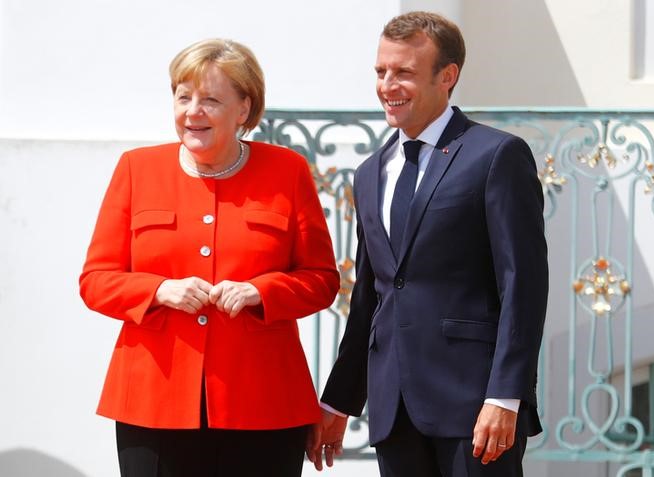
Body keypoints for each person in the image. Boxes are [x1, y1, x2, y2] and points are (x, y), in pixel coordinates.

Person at [79, 38, 339, 477]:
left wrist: (262, 291)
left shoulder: (287, 171)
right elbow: (96, 280)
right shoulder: (136, 169)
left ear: (244, 109)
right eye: (184, 97)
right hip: (154, 404)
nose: (192, 112)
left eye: (211, 100)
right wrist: (160, 289)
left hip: (264, 403)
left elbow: (322, 279)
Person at [312, 11, 548, 477]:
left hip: (475, 406)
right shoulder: (369, 173)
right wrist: (339, 400)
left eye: (403, 73)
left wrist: (505, 395)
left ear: (447, 76)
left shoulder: (496, 155)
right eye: (381, 72)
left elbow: (523, 284)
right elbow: (371, 298)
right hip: (393, 409)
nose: (387, 85)